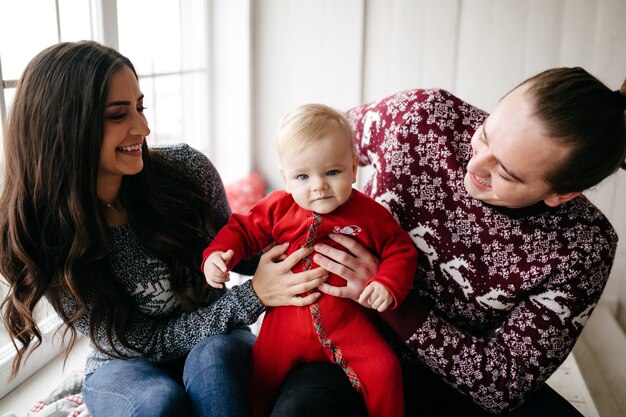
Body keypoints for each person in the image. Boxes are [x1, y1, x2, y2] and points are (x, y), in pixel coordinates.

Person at [267, 67, 626, 417]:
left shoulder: (584, 247)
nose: (474, 164)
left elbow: (503, 384)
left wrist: (392, 299)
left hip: (451, 380)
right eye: (484, 134)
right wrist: (265, 269)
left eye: (505, 173)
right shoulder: (423, 117)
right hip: (343, 341)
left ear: (561, 195)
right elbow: (318, 148)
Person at [0, 41, 329, 417]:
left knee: (216, 361)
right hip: (123, 364)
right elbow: (142, 342)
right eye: (117, 115)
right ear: (66, 128)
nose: (143, 127)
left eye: (140, 107)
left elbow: (242, 254)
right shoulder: (42, 232)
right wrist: (253, 296)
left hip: (217, 342)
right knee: (158, 403)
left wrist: (318, 229)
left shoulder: (187, 171)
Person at [202, 103, 418, 417]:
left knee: (385, 370)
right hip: (284, 327)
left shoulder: (369, 214)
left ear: (354, 168)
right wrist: (218, 256)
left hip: (347, 324)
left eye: (332, 172)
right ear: (285, 179)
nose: (319, 185)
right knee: (258, 382)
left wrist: (387, 283)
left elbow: (400, 250)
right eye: (303, 176)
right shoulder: (278, 207)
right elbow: (242, 230)